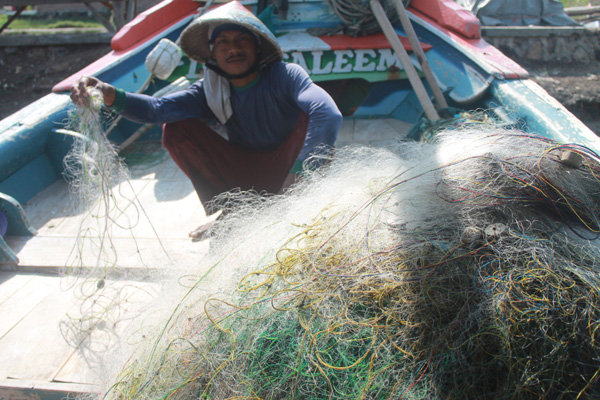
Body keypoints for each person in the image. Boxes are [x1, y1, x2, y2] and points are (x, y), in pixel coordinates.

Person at [70, 1, 343, 240]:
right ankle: (234, 211)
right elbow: (155, 110)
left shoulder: (285, 75)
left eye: (242, 40)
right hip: (247, 174)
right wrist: (107, 93)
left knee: (311, 115)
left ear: (258, 48)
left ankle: (293, 201)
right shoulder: (209, 91)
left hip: (292, 173)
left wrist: (299, 175)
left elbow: (328, 113)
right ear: (212, 55)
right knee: (176, 129)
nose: (233, 48)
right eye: (223, 42)